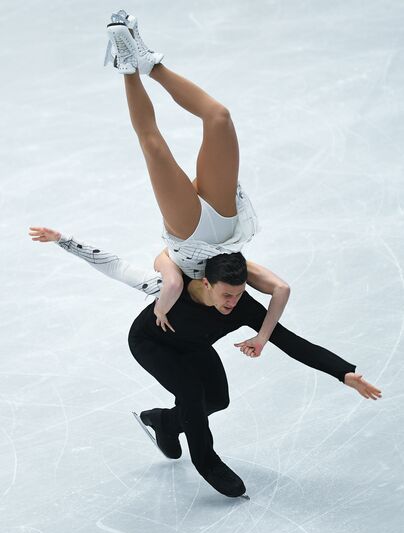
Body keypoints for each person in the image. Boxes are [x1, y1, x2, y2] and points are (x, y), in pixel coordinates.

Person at [28, 226, 382, 498]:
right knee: (191, 392)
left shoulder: (242, 306)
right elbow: (115, 265)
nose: (232, 302)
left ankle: (164, 423)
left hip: (194, 347)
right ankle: (207, 462)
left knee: (217, 400)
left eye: (239, 294)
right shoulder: (171, 286)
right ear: (206, 283)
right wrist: (63, 239)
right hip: (152, 343)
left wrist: (343, 372)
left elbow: (291, 342)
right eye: (226, 294)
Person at [105, 10, 290, 359]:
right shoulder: (243, 275)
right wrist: (263, 337)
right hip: (225, 219)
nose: (232, 302)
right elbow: (281, 289)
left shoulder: (192, 284)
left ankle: (127, 66)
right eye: (231, 298)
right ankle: (151, 65)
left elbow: (172, 283)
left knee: (154, 148)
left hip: (188, 234)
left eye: (227, 300)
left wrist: (161, 308)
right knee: (219, 118)